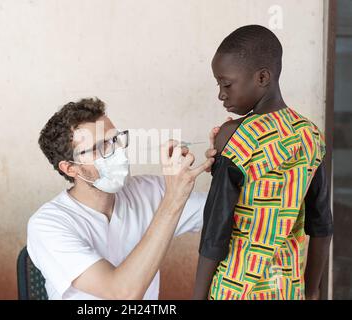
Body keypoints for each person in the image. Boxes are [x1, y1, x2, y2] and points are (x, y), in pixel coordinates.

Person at [27, 98, 218, 299]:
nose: (116, 152)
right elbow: (122, 294)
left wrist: (224, 164)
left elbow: (226, 212)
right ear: (70, 168)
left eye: (115, 140)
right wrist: (173, 199)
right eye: (99, 147)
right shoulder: (47, 224)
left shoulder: (148, 191)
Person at [194, 25, 333, 300]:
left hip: (235, 287)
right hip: (287, 286)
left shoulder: (235, 136)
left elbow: (215, 230)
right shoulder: (311, 135)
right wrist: (313, 289)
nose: (221, 94)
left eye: (227, 83)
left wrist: (197, 296)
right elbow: (321, 225)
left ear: (262, 77)